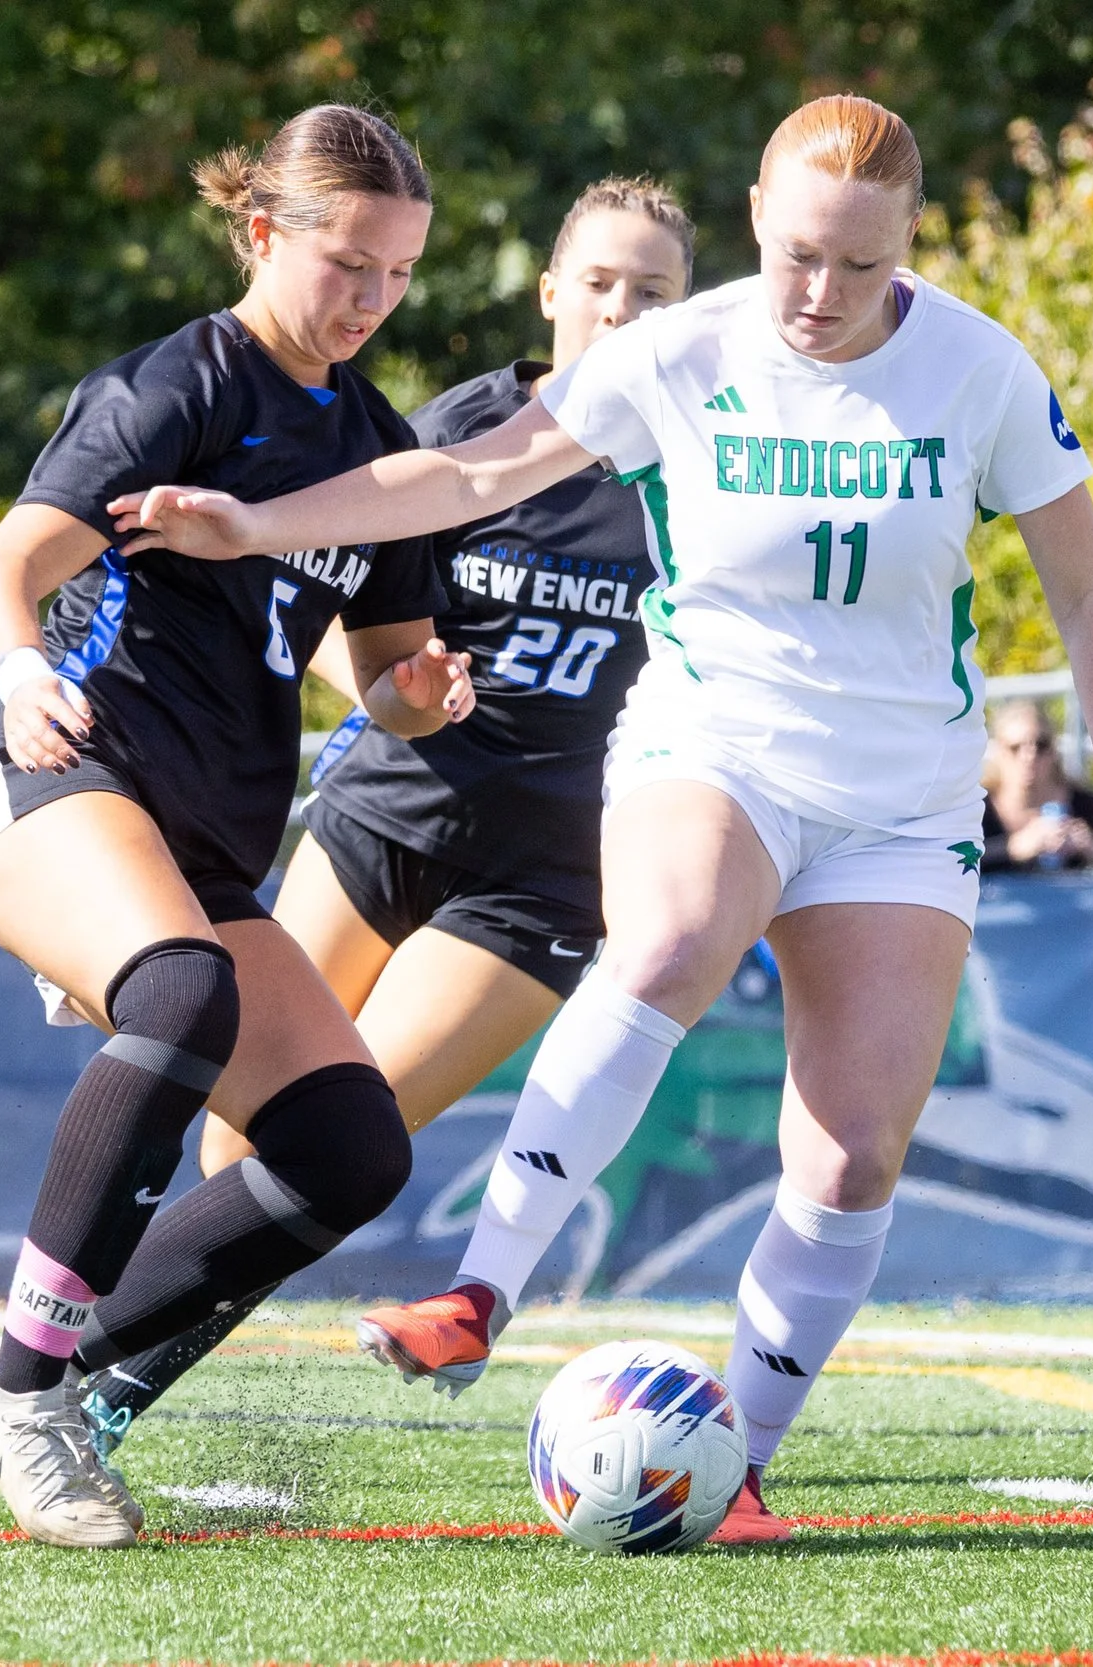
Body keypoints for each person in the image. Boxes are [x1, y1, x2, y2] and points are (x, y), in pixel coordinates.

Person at [113, 94, 1093, 1544]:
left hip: (901, 796)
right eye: (801, 252)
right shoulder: (686, 348)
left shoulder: (983, 371)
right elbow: (465, 470)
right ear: (755, 213)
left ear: (909, 247)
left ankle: (735, 1460)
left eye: (860, 267)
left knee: (851, 1153)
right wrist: (260, 520)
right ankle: (479, 1289)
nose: (820, 292)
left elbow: (1086, 590)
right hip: (712, 739)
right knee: (670, 936)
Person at [75, 177, 695, 1453]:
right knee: (233, 1136)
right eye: (599, 282)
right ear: (549, 291)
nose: (622, 309)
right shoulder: (466, 428)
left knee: (346, 1127)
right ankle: (91, 1363)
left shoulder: (701, 468)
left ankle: (98, 1391)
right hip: (380, 818)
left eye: (653, 292)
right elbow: (322, 610)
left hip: (542, 872)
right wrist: (395, 686)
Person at [0, 105, 471, 1550]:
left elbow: (381, 668)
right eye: (347, 260)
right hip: (56, 776)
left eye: (399, 273)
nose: (369, 298)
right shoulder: (182, 381)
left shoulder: (378, 447)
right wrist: (22, 666)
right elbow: (5, 568)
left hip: (206, 843)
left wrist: (417, 693)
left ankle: (23, 1372)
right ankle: (38, 1389)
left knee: (350, 1142)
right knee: (183, 990)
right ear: (262, 234)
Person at [979, 699, 1093, 872]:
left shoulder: (1086, 806)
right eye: (1015, 748)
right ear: (999, 753)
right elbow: (953, 862)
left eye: (1040, 745)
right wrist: (1012, 849)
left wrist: (1090, 846)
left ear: (1053, 750)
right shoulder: (978, 811)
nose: (1029, 757)